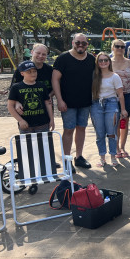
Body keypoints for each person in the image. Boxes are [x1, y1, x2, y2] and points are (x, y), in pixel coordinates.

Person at [52, 33, 95, 171]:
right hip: (67, 103)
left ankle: (79, 157)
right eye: (78, 42)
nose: (80, 45)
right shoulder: (63, 58)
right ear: (72, 43)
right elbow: (55, 79)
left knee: (81, 128)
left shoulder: (91, 59)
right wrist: (59, 100)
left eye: (83, 43)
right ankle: (66, 160)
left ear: (87, 44)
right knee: (68, 130)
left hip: (85, 102)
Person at [90, 53, 128, 167]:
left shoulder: (114, 76)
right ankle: (102, 157)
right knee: (100, 133)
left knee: (111, 133)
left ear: (109, 61)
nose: (103, 62)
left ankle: (113, 155)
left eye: (105, 60)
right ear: (97, 62)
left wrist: (123, 109)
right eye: (100, 60)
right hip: (96, 104)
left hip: (111, 104)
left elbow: (120, 94)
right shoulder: (94, 76)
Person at [8, 61, 54, 133]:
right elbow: (10, 106)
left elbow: (48, 103)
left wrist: (51, 119)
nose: (33, 74)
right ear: (22, 73)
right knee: (27, 144)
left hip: (43, 123)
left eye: (34, 71)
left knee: (43, 144)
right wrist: (20, 120)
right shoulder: (16, 87)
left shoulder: (42, 86)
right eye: (29, 72)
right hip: (25, 124)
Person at [111, 39, 130, 158]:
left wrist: (128, 89)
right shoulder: (108, 62)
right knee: (115, 122)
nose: (120, 48)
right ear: (113, 48)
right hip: (113, 96)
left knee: (124, 121)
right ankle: (115, 148)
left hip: (127, 95)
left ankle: (122, 147)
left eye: (122, 47)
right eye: (117, 46)